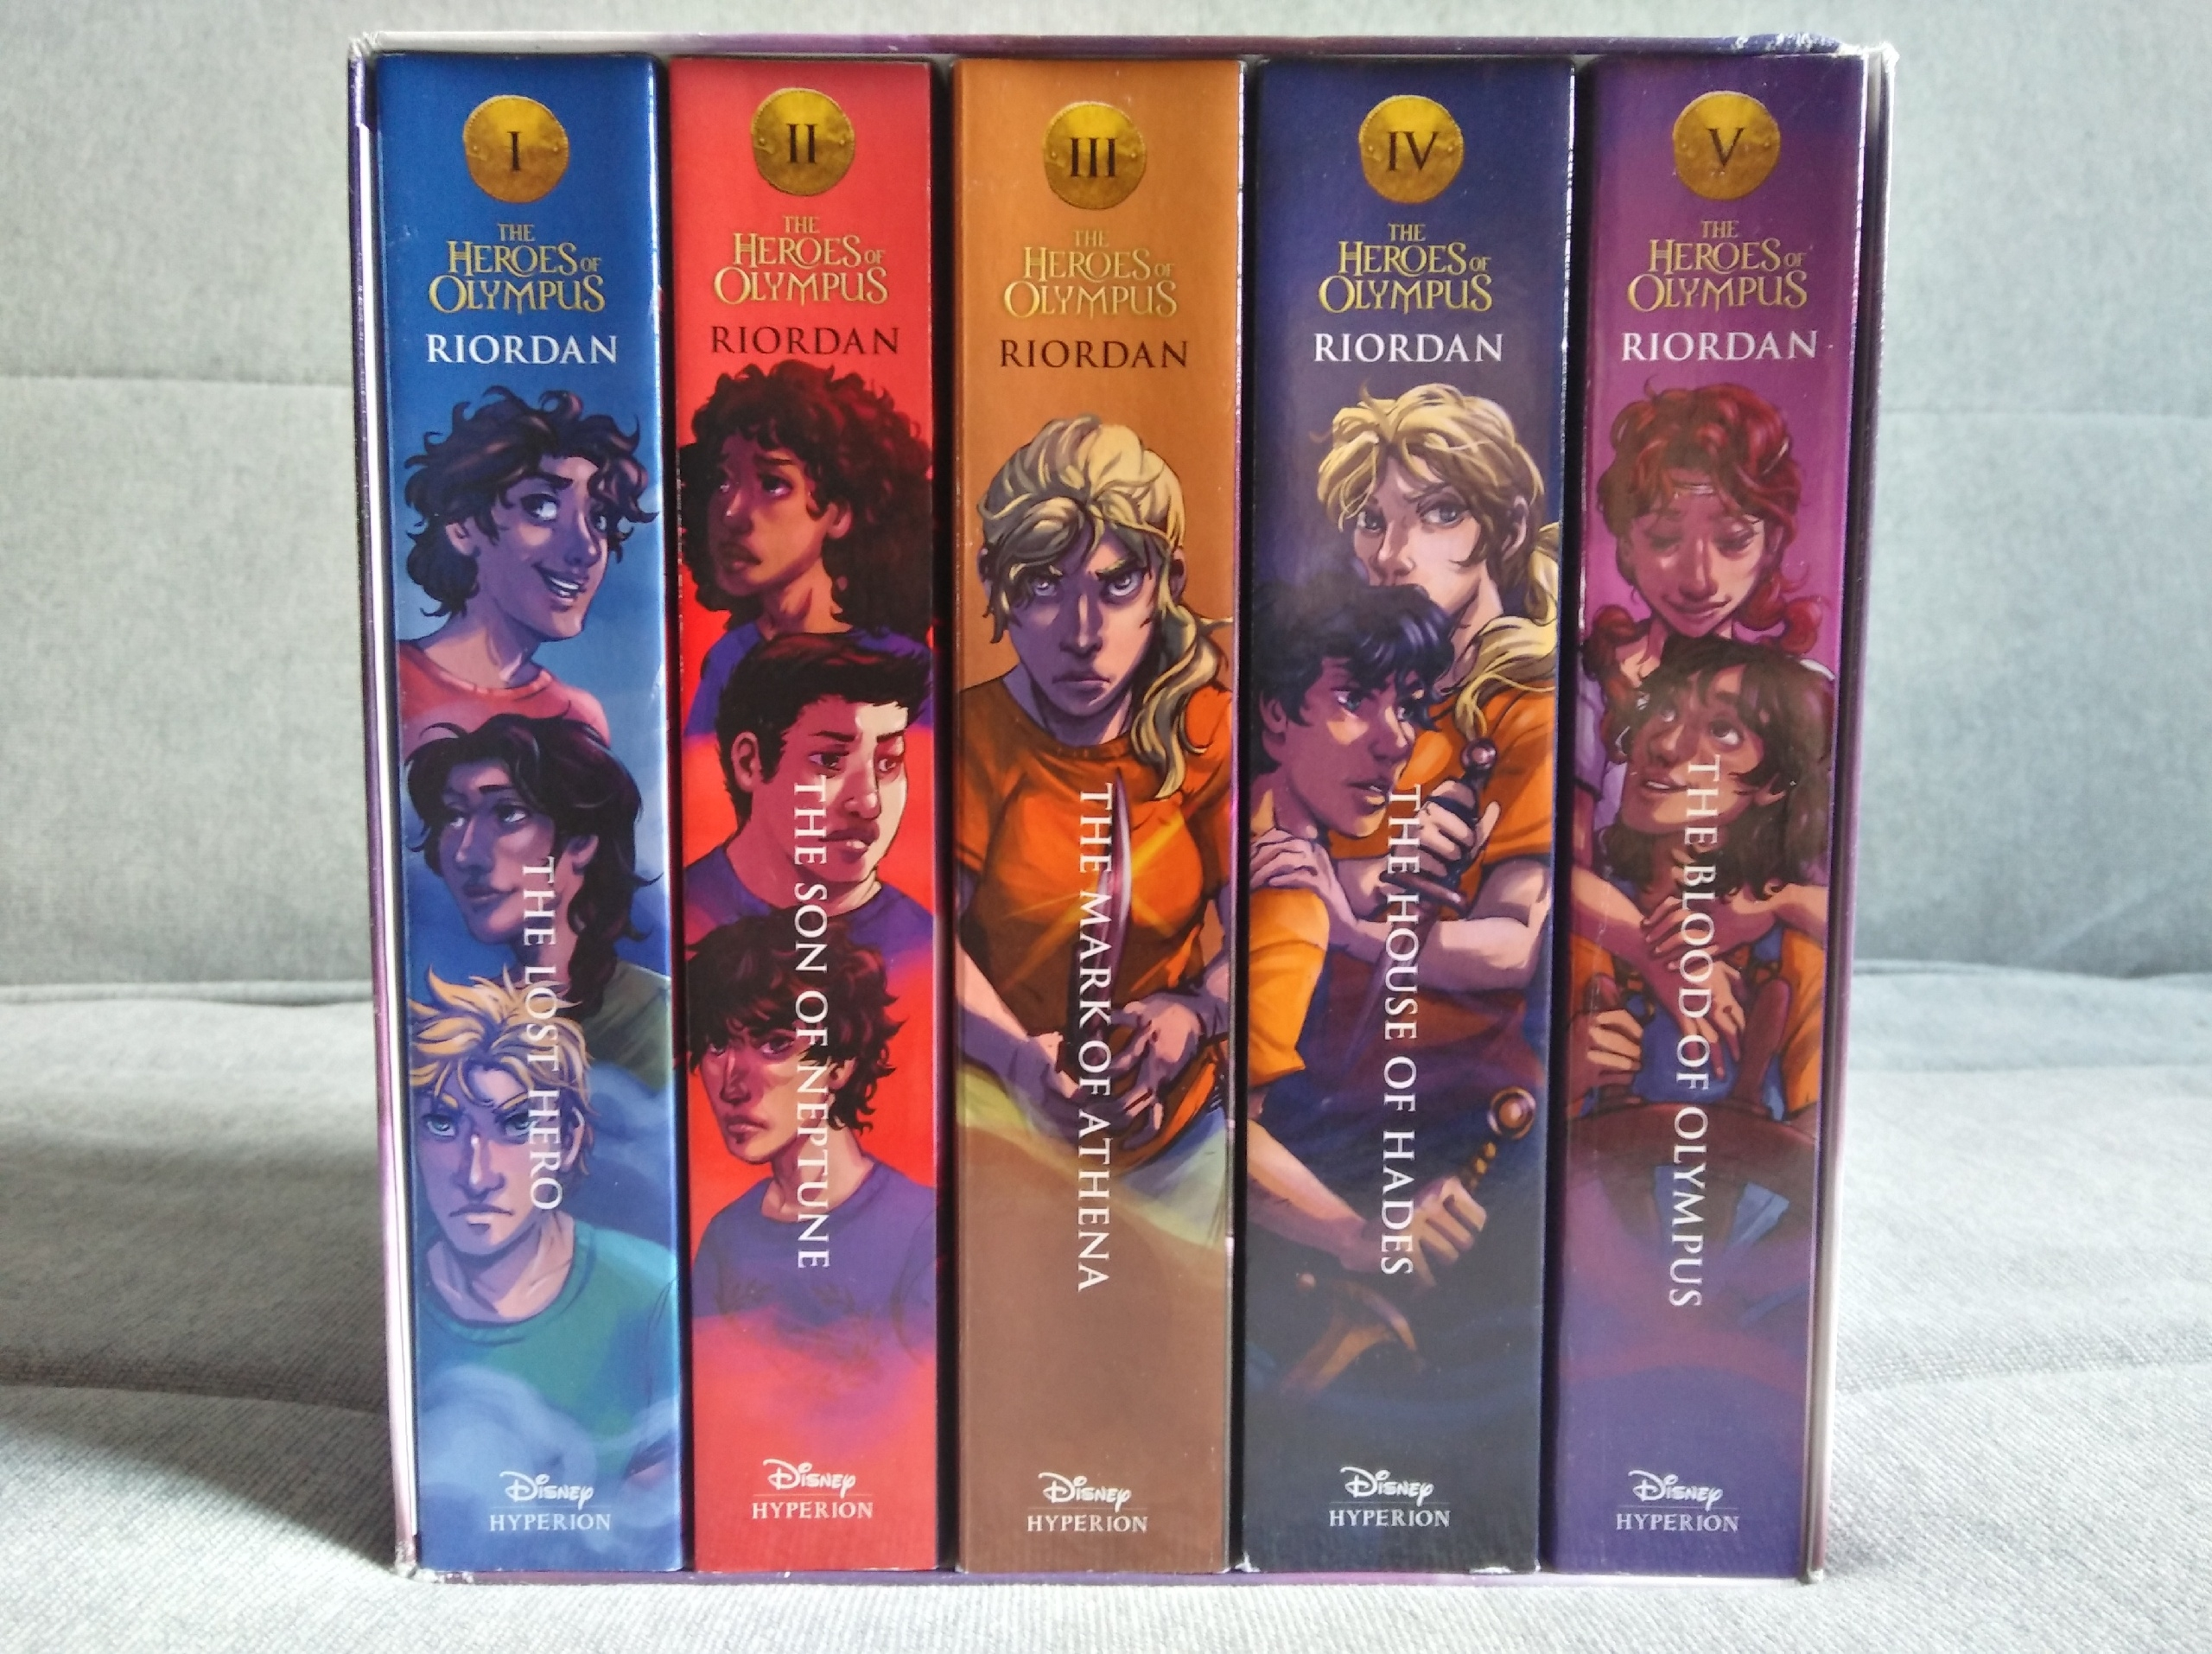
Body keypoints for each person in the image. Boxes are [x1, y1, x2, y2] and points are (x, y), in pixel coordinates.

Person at [955, 414, 1233, 1161]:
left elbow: (1266, 931)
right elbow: (922, 943)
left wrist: (1196, 1013)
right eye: (1044, 585)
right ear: (994, 582)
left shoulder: (1208, 730)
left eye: (1117, 584)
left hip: (1179, 1127)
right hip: (1000, 1133)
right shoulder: (973, 738)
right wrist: (1018, 1059)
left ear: (1168, 583)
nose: (1083, 634)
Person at [1243, 572, 1485, 1287]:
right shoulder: (1287, 903)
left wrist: (1363, 900)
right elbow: (1214, 1131)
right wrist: (1359, 1235)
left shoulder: (1269, 839)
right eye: (1353, 700)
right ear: (1276, 713)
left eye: (1407, 707)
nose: (1395, 741)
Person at [407, 970, 679, 1560]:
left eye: (516, 1125)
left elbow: (646, 1531)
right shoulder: (404, 1304)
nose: (476, 1174)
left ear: (567, 1140)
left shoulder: (651, 1296)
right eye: (442, 1123)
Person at [1308, 385, 1557, 1026]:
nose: (1392, 555)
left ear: (1509, 528)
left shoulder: (1527, 709)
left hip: (1461, 1061)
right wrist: (1367, 880)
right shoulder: (1353, 684)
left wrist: (1349, 930)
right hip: (1325, 1050)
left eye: (1440, 513)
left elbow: (1513, 944)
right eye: (1372, 520)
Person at [1572, 384, 1822, 1005]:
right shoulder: (1588, 684)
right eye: (1664, 539)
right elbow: (1564, 873)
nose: (1700, 578)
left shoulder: (1801, 695)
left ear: (1771, 545)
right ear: (1624, 543)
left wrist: (1770, 909)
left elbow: (1825, 881)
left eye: (1733, 541)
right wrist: (1667, 956)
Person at [407, 715, 671, 1240]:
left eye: (507, 813)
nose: (467, 852)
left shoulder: (652, 1020)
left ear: (582, 841)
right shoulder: (464, 1027)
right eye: (454, 817)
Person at [1564, 634, 1833, 1121]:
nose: (1667, 745)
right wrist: (1563, 1080)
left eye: (1724, 731)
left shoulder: (1791, 958)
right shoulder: (1582, 926)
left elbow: (1799, 1145)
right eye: (1664, 710)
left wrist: (1776, 904)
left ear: (1775, 782)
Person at [687, 914, 934, 1365]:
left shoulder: (921, 1228)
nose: (733, 1086)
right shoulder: (726, 1238)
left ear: (839, 1063)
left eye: (774, 1044)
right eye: (718, 1044)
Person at [677, 360, 934, 740]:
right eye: (722, 480)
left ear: (839, 513)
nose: (731, 512)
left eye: (772, 483)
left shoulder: (903, 666)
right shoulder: (729, 659)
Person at [396, 387, 652, 755]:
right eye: (542, 507)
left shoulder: (577, 717)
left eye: (599, 519)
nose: (588, 549)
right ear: (462, 527)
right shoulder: (393, 681)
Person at [683, 633, 931, 976]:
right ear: (749, 763)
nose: (869, 803)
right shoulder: (683, 915)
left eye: (888, 763)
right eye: (829, 760)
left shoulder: (925, 952)